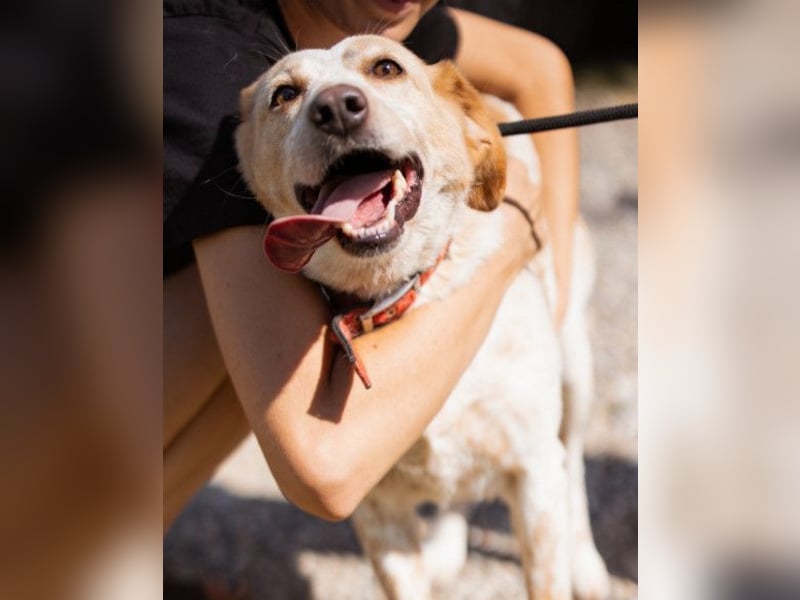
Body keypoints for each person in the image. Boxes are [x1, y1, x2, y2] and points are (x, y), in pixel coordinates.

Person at [164, 0, 579, 527]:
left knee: (269, 324)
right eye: (288, 95)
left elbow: (538, 67)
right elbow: (325, 473)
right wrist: (514, 239)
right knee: (244, 315)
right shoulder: (214, 68)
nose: (338, 103)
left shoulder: (379, 12)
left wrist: (556, 293)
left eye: (384, 68)